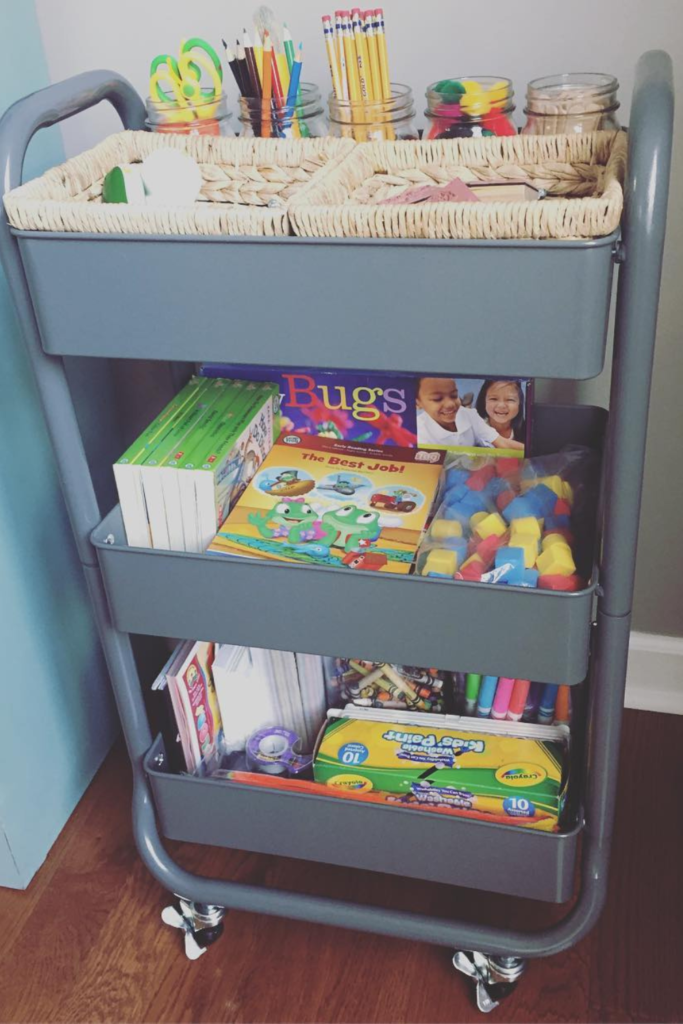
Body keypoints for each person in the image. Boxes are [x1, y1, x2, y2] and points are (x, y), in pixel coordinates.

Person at [416, 377, 524, 450]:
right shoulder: (419, 432)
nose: (450, 404)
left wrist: (532, 455)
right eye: (437, 399)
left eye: (454, 395)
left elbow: (502, 443)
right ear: (417, 403)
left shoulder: (470, 415)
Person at [475, 379, 526, 448]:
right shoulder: (474, 429)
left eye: (510, 399)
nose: (501, 406)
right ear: (484, 401)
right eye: (494, 399)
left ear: (519, 403)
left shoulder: (529, 432)